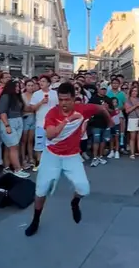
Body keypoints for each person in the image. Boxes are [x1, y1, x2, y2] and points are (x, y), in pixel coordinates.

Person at [24, 82, 109, 237]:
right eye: (61, 99)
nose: (63, 103)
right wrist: (68, 120)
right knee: (41, 190)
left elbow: (101, 108)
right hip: (52, 155)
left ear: (73, 98)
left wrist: (109, 120)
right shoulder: (52, 113)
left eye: (67, 100)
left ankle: (75, 202)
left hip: (72, 156)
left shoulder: (83, 109)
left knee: (84, 188)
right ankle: (35, 220)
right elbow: (50, 135)